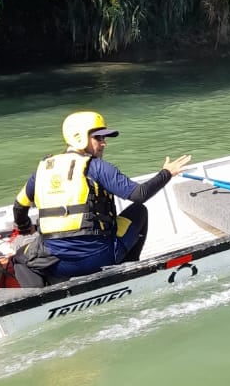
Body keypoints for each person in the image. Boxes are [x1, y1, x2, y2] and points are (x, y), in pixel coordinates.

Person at [11, 110, 191, 284]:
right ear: (79, 137)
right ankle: (128, 271)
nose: (104, 143)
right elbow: (140, 195)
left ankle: (39, 298)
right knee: (139, 211)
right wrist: (167, 173)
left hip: (57, 264)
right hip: (101, 258)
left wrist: (25, 227)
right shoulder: (98, 167)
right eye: (98, 137)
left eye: (104, 138)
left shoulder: (43, 170)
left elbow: (19, 207)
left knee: (19, 259)